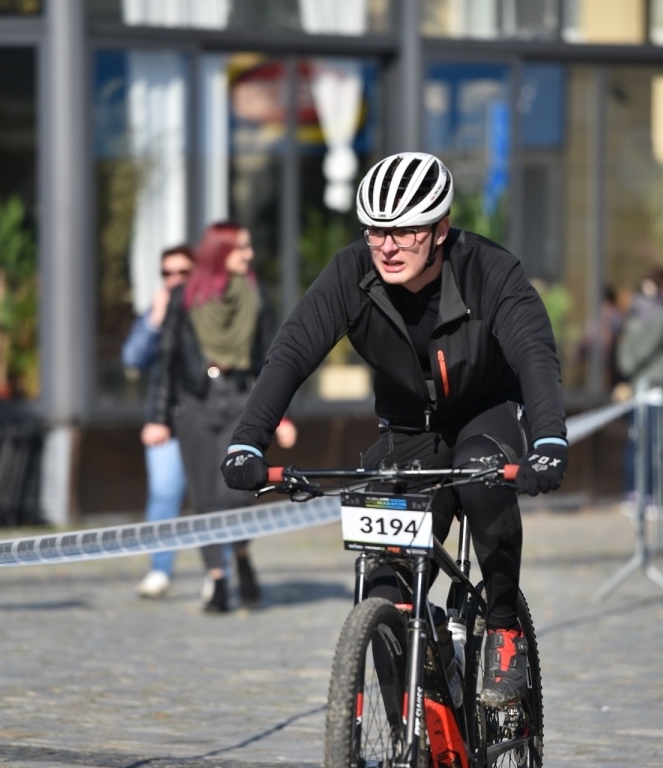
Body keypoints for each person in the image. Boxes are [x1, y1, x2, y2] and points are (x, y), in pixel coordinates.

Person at [222, 152, 567, 706]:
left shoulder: (489, 270)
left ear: (439, 230)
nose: (387, 246)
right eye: (377, 231)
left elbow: (534, 355)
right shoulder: (352, 271)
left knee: (482, 474)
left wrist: (549, 439)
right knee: (384, 588)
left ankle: (503, 626)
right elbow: (291, 352)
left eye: (405, 232)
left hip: (487, 412)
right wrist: (248, 439)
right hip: (406, 428)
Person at [144, 222, 296, 613]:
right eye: (241, 248)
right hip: (195, 401)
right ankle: (217, 578)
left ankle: (241, 553)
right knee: (206, 497)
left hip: (241, 398)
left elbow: (272, 360)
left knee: (238, 489)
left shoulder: (255, 293)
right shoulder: (185, 297)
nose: (248, 254)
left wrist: (280, 415)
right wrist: (158, 418)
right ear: (219, 251)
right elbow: (167, 361)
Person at [121, 244, 194, 599]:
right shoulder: (158, 311)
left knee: (217, 499)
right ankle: (159, 570)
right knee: (164, 493)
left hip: (205, 418)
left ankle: (224, 571)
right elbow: (133, 358)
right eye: (168, 274)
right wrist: (154, 320)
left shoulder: (206, 311)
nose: (175, 280)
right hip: (165, 420)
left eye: (183, 273)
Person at [615, 267, 663, 508]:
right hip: (652, 389)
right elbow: (635, 353)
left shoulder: (634, 314)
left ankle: (636, 494)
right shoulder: (658, 314)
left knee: (639, 443)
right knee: (649, 445)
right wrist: (629, 365)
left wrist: (627, 366)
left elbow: (626, 352)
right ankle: (643, 495)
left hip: (642, 387)